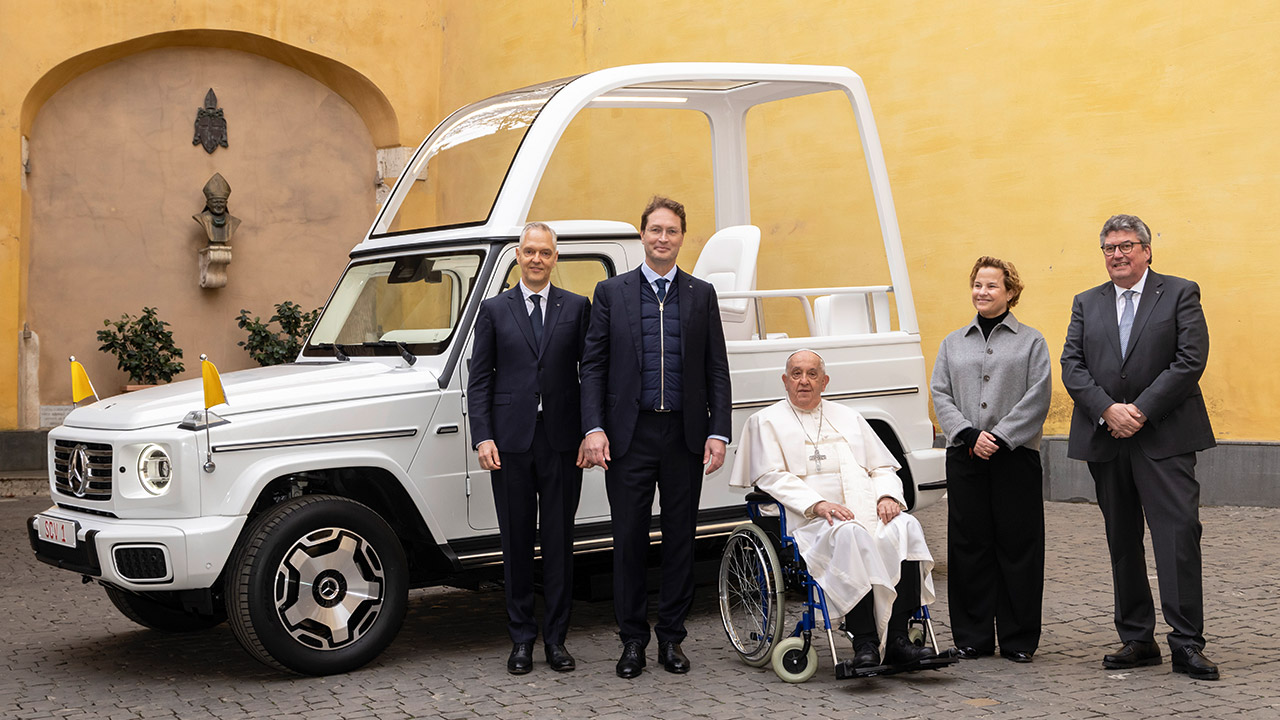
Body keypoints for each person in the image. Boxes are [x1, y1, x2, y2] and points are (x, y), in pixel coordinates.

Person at [579, 196, 732, 678]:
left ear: (682, 237)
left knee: (680, 540)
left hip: (684, 435)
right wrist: (594, 427)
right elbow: (594, 367)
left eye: (671, 231)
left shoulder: (701, 294)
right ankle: (631, 641)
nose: (662, 238)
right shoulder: (611, 293)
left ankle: (671, 639)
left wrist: (718, 431)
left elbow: (717, 369)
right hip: (629, 436)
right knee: (627, 540)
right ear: (642, 236)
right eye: (655, 230)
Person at [1061, 214, 1217, 680]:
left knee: (1178, 537)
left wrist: (1141, 411)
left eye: (1127, 246)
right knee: (1122, 541)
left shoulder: (1180, 292)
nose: (1117, 255)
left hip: (1165, 437)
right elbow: (1072, 364)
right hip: (1107, 439)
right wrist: (1108, 410)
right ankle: (1137, 638)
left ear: (1147, 250)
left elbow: (1190, 359)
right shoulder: (1087, 302)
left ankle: (1187, 643)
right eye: (1109, 248)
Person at [730, 349, 938, 668]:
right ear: (785, 381)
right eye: (796, 374)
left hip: (864, 511)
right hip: (809, 522)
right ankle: (865, 640)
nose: (804, 381)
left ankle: (897, 638)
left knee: (905, 527)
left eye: (812, 374)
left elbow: (882, 467)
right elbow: (770, 475)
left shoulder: (849, 417)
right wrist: (818, 504)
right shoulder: (765, 421)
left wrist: (886, 497)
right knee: (850, 535)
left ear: (824, 381)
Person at [467, 222, 591, 675]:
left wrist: (590, 430)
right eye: (530, 251)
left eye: (545, 252)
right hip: (510, 443)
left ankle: (556, 640)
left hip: (562, 442)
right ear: (518, 256)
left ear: (556, 258)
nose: (537, 259)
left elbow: (590, 374)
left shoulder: (577, 307)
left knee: (559, 542)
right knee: (516, 544)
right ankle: (521, 640)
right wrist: (483, 436)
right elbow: (479, 379)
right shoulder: (494, 309)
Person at [930, 256, 1051, 663]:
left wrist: (999, 437)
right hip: (964, 456)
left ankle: (1018, 640)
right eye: (977, 285)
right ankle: (972, 637)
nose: (982, 292)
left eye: (992, 286)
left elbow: (1038, 396)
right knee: (969, 546)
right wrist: (966, 434)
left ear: (1011, 292)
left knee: (1019, 547)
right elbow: (940, 393)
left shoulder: (1031, 342)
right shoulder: (952, 342)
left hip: (1014, 457)